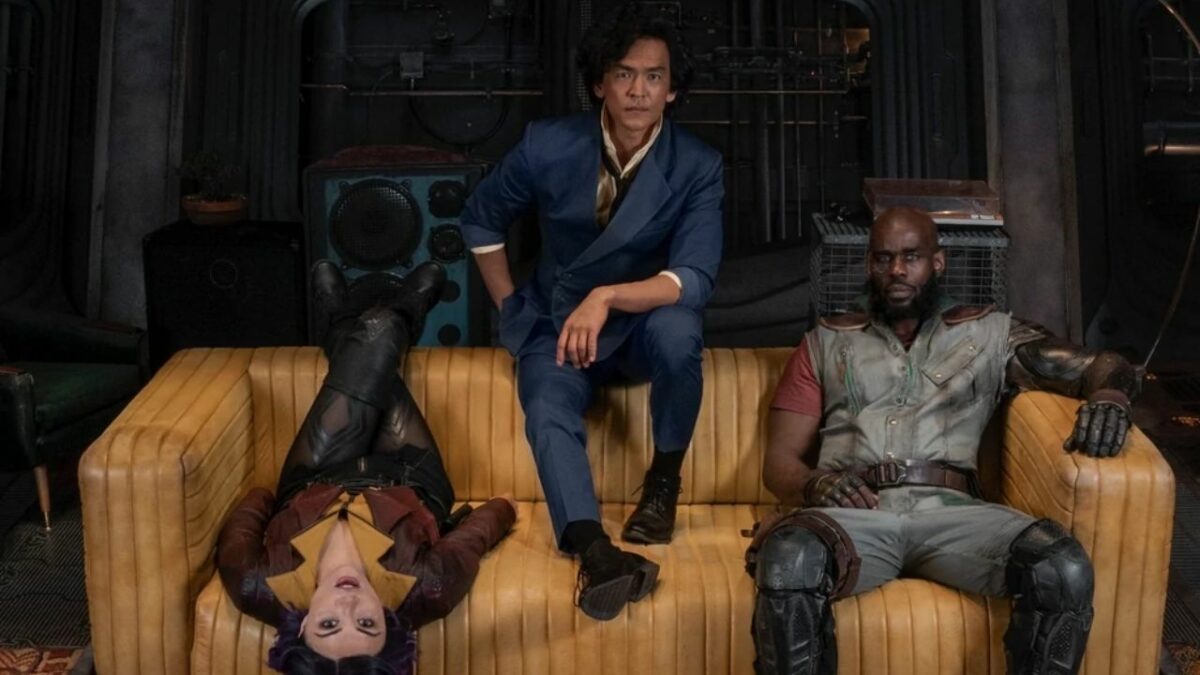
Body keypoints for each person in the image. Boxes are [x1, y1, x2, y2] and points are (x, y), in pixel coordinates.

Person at [748, 207, 1140, 675]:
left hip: (954, 516)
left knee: (1062, 568)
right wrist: (814, 484)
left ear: (938, 262)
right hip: (855, 516)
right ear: (869, 264)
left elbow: (1100, 364)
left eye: (911, 256)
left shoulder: (991, 334)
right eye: (883, 258)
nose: (896, 270)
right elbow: (779, 464)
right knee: (789, 558)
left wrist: (1111, 397)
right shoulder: (823, 344)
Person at [459, 2, 724, 620]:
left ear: (672, 89)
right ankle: (595, 551)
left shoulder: (697, 165)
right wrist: (511, 308)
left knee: (680, 332)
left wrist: (605, 298)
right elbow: (480, 219)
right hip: (556, 325)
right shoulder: (548, 145)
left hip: (639, 326)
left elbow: (693, 278)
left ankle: (662, 483)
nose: (638, 91)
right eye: (624, 74)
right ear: (601, 82)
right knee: (546, 406)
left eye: (653, 77)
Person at [216, 261, 516, 675]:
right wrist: (505, 508)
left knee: (372, 348)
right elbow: (472, 538)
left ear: (302, 627)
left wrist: (276, 501)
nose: (348, 603)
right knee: (377, 348)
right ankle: (372, 312)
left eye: (328, 624)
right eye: (366, 623)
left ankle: (355, 317)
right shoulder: (429, 589)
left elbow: (253, 507)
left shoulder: (254, 584)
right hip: (408, 473)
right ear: (388, 626)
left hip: (318, 474)